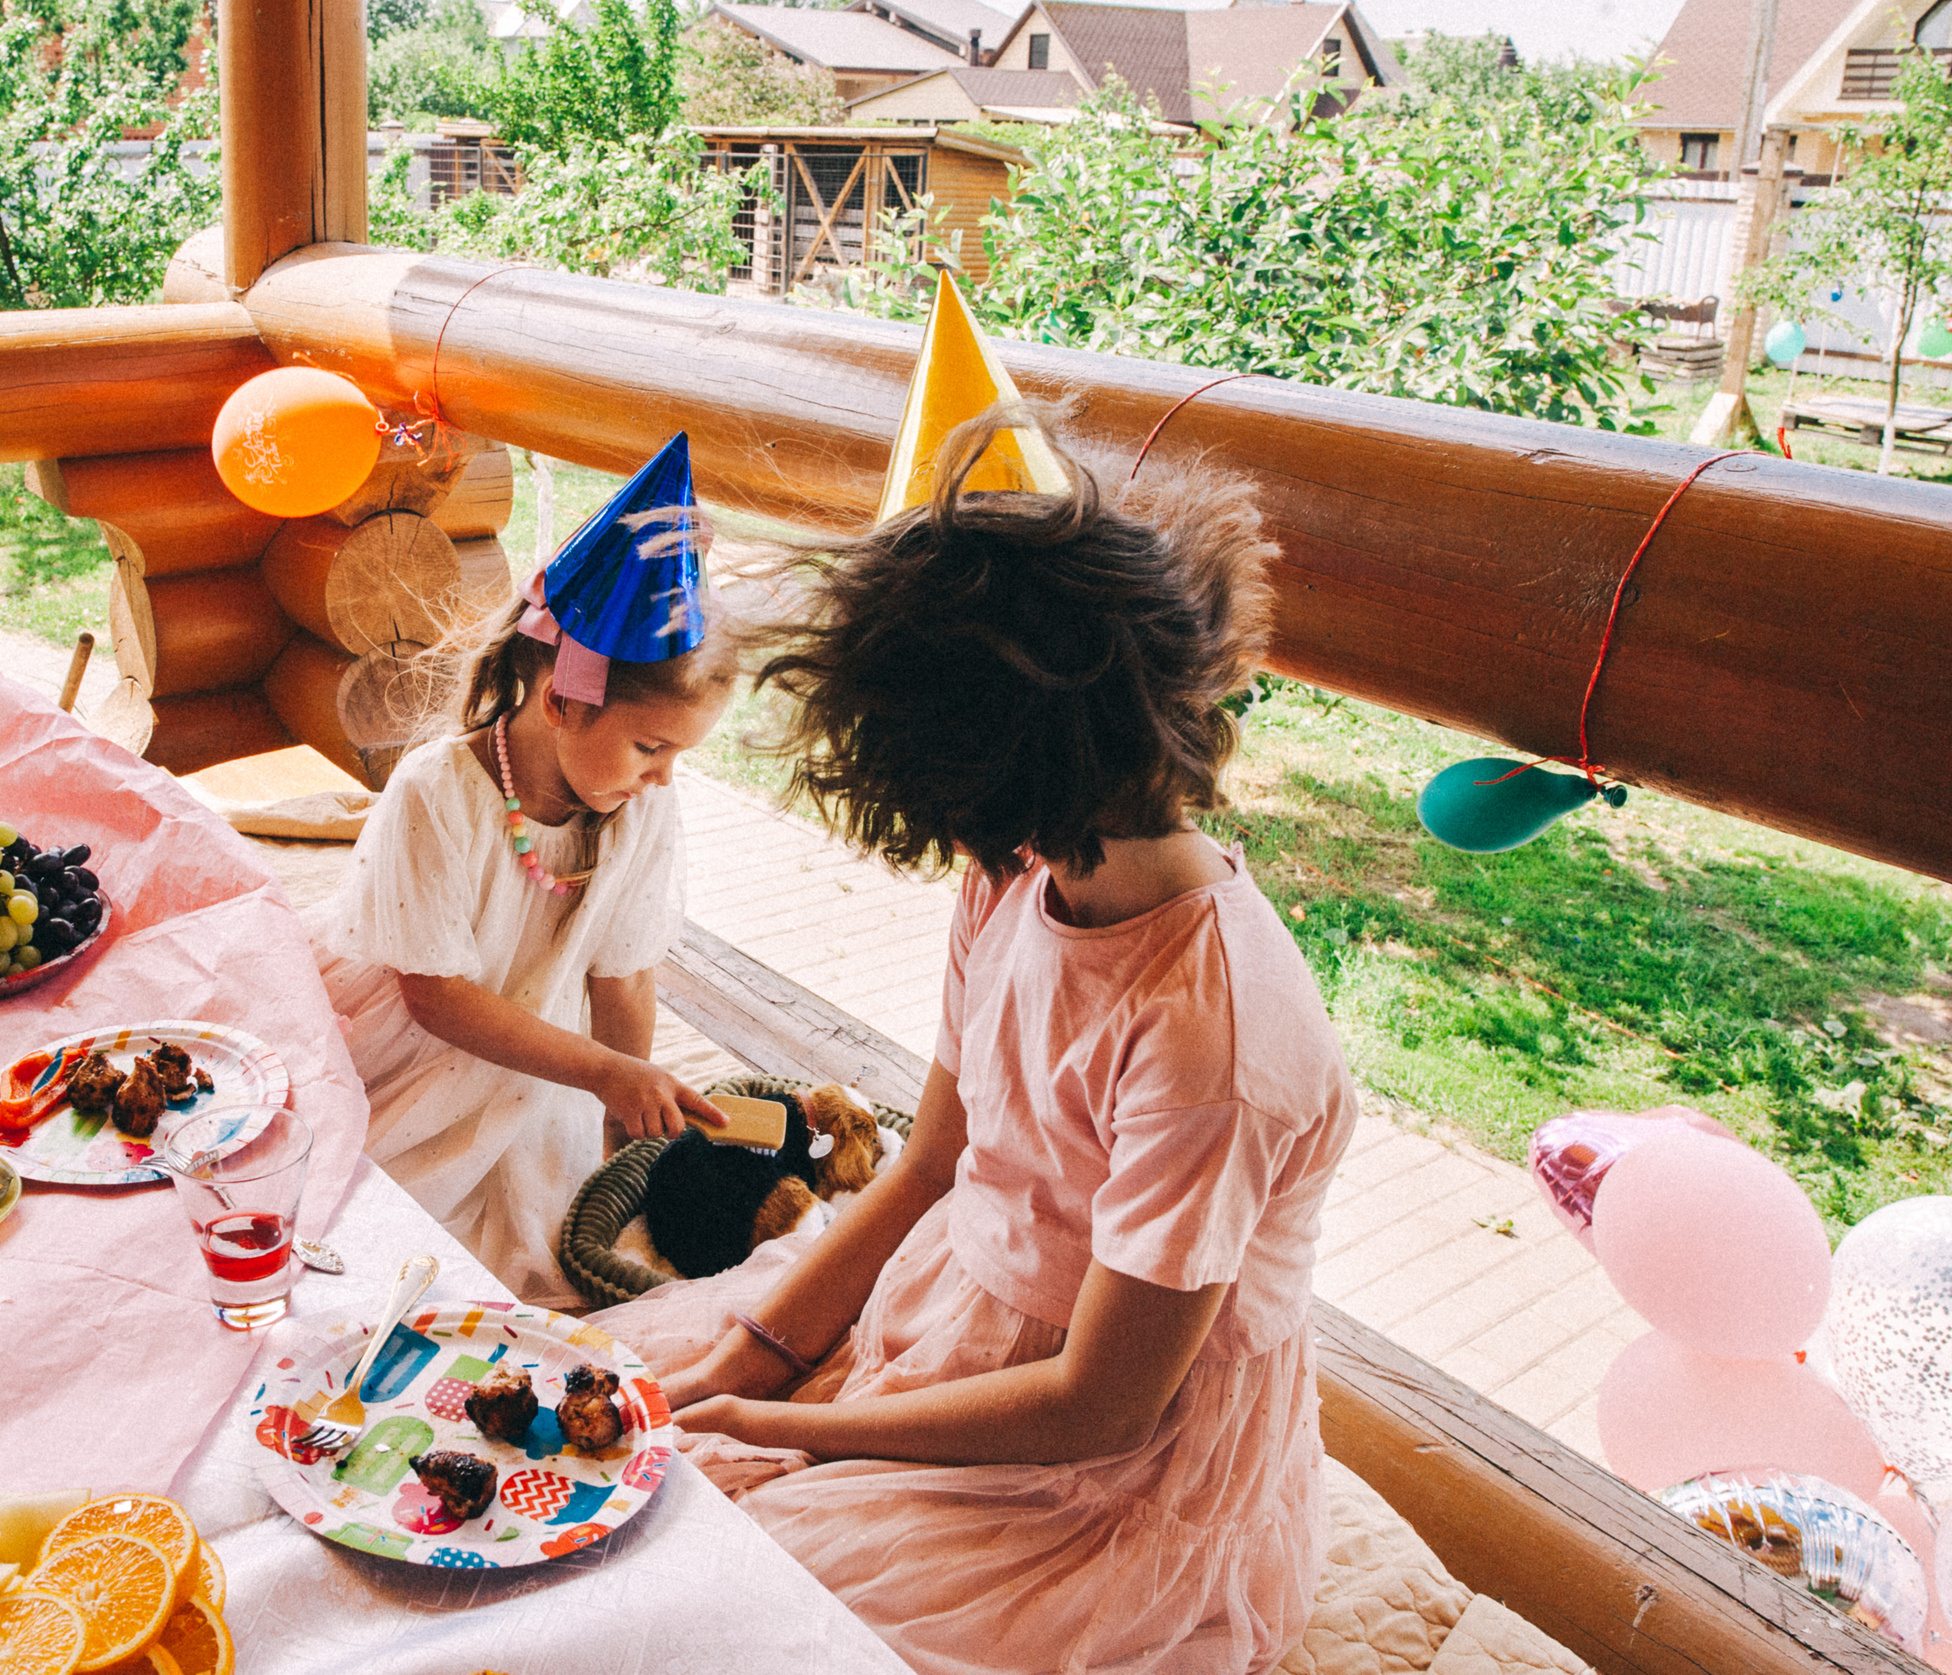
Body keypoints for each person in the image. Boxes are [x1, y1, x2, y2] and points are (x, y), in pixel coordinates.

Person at [591, 414, 1359, 1675]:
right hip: (967, 1316)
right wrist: (757, 1360)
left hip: (1103, 1458)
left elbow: (1101, 1403)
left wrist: (807, 1438)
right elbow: (934, 1154)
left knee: (718, 1611)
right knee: (622, 1451)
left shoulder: (1210, 1040)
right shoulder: (1021, 865)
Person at [308, 436, 739, 1307]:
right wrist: (600, 1073)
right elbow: (434, 996)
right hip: (420, 1053)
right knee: (377, 1230)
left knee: (553, 1232)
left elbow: (623, 976)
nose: (661, 776)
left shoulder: (640, 809)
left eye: (676, 756)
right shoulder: (440, 792)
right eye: (651, 746)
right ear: (562, 701)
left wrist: (632, 1114)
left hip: (544, 1059)